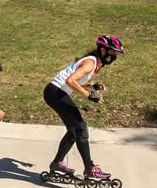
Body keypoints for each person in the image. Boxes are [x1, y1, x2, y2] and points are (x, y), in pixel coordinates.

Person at [44, 35, 124, 180]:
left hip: (55, 92)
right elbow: (70, 81)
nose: (114, 56)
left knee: (74, 131)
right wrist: (89, 95)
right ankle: (90, 168)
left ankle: (57, 163)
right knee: (80, 127)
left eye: (116, 54)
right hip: (56, 93)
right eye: (112, 52)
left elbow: (74, 80)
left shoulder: (93, 62)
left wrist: (92, 85)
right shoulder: (90, 63)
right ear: (103, 50)